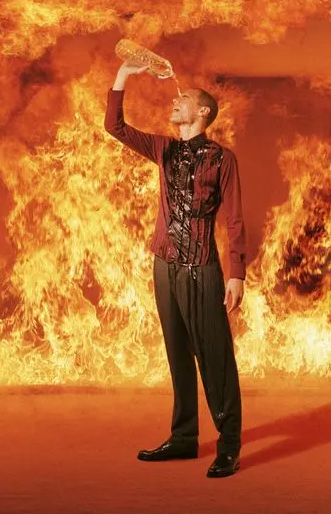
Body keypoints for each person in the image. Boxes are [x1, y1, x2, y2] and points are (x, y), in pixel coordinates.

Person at [105, 61, 247, 478]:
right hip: (165, 266)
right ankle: (184, 438)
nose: (175, 101)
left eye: (183, 100)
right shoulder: (164, 149)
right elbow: (115, 127)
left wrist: (236, 271)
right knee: (176, 355)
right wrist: (123, 77)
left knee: (215, 357)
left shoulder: (222, 159)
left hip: (203, 268)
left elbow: (236, 219)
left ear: (203, 113)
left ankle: (229, 445)